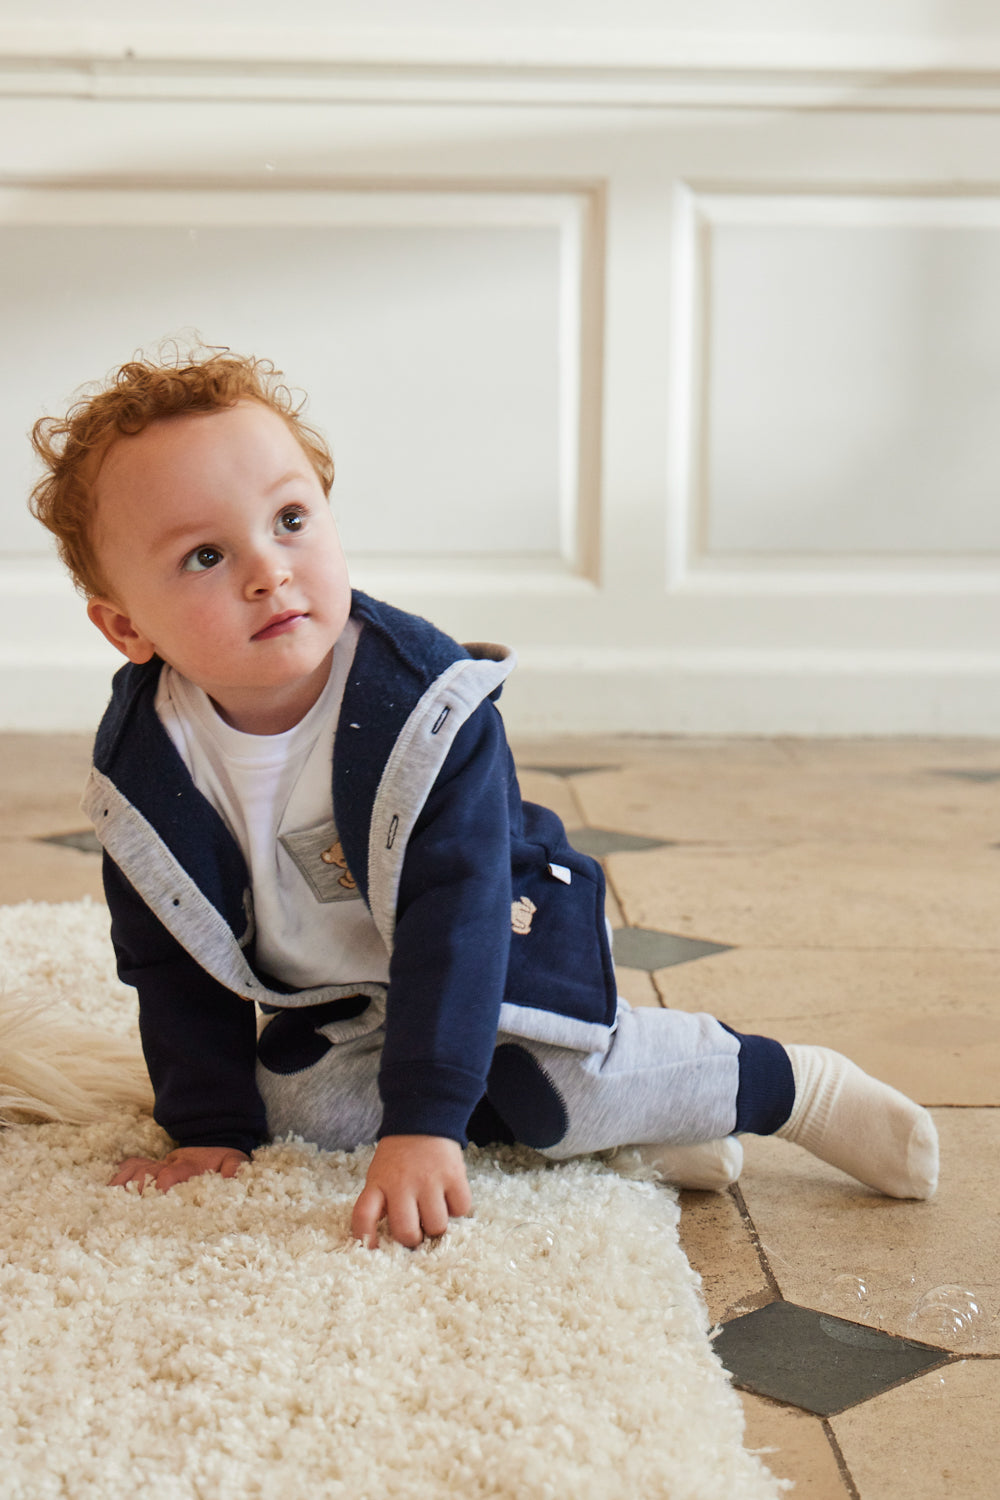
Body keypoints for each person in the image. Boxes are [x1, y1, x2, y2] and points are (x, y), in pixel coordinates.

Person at [29, 349, 939, 1248]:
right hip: (343, 1001)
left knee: (565, 1079)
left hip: (497, 950)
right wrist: (210, 1131)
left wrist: (423, 1123)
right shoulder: (144, 772)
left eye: (291, 518)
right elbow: (169, 962)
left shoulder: (422, 711)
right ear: (126, 627)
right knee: (293, 1111)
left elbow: (455, 926)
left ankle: (782, 1084)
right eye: (204, 556)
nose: (267, 570)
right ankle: (625, 1134)